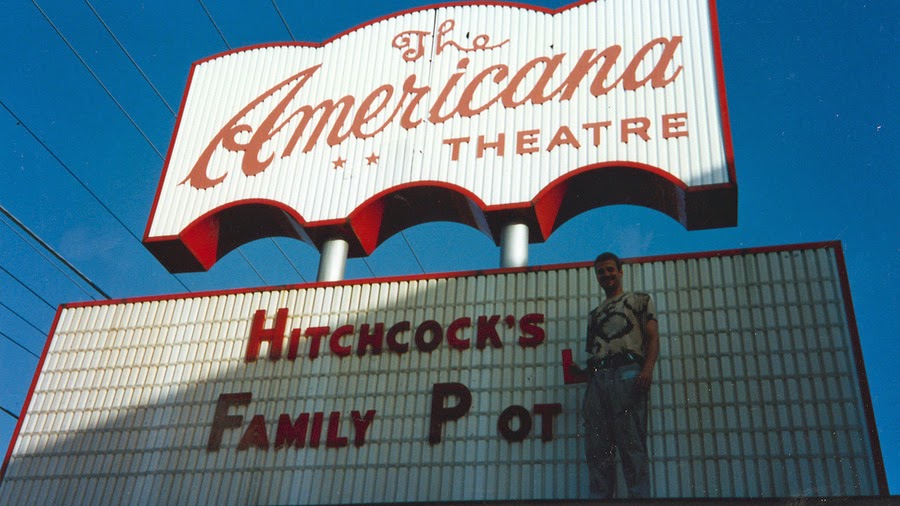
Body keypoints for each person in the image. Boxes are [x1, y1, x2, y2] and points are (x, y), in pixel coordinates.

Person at [571, 252, 659, 498]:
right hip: (598, 378)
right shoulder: (594, 314)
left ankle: (639, 498)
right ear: (597, 276)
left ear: (620, 271)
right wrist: (582, 370)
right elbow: (597, 351)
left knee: (631, 443)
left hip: (629, 373)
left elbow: (653, 338)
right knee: (597, 447)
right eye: (601, 271)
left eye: (610, 269)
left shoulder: (640, 300)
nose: (606, 274)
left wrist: (648, 369)